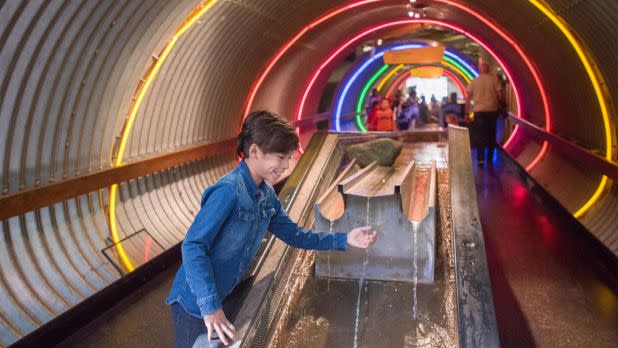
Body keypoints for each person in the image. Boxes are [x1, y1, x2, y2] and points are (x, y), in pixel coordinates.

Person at [166, 111, 378, 347]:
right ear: (255, 151)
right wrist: (211, 307)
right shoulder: (228, 192)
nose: (286, 166)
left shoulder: (266, 195)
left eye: (288, 157)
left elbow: (295, 235)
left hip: (227, 293)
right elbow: (194, 246)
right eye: (281, 157)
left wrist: (344, 239)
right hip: (196, 304)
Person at [466, 61, 505, 166]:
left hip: (478, 112)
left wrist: (467, 113)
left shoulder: (474, 81)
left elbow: (468, 98)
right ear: (488, 69)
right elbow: (500, 95)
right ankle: (490, 158)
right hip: (492, 111)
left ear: (479, 70)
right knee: (491, 134)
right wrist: (504, 105)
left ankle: (480, 159)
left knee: (479, 136)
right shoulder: (494, 80)